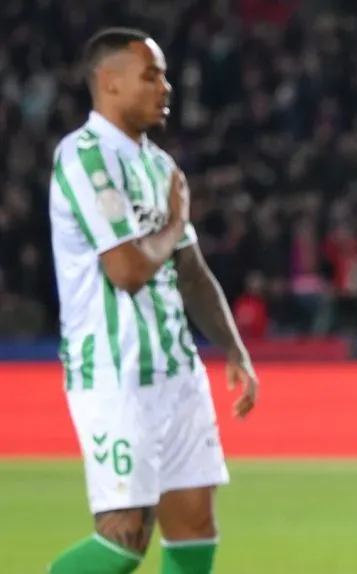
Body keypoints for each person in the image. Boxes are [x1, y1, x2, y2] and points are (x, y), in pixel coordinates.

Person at [46, 28, 258, 574]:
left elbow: (191, 272)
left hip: (176, 371)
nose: (167, 86)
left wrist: (234, 348)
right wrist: (174, 223)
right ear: (110, 83)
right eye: (152, 74)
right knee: (124, 538)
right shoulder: (84, 157)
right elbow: (128, 271)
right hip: (115, 374)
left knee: (194, 529)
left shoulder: (160, 166)